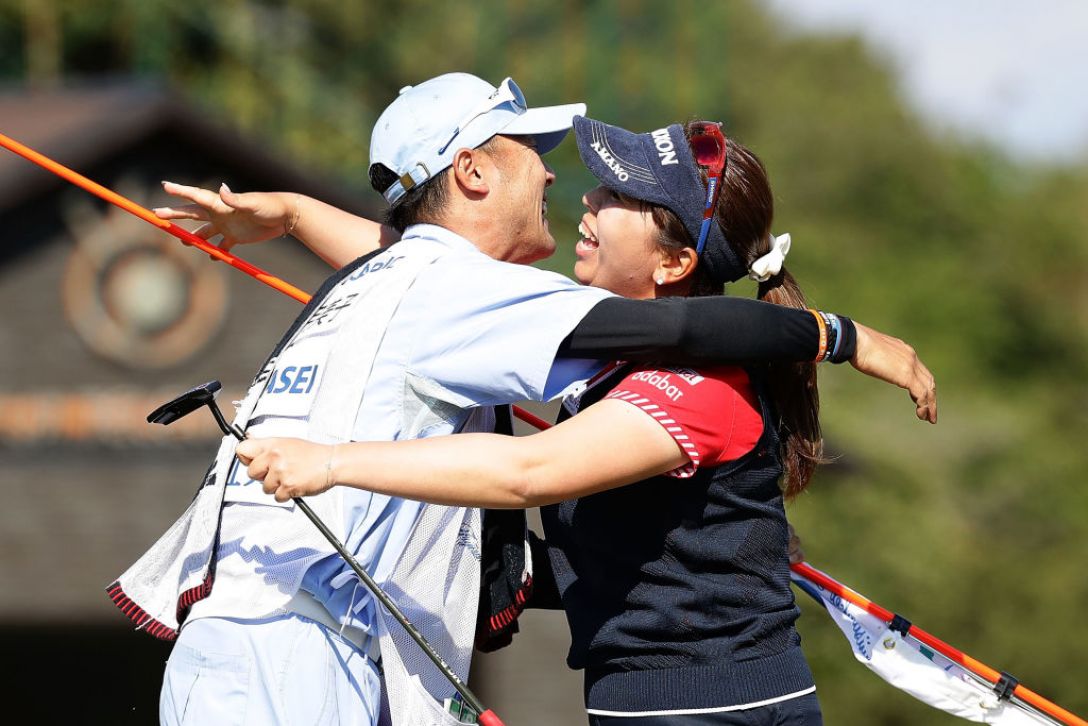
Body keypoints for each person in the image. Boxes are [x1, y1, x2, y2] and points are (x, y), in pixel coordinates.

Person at [113, 72, 934, 726]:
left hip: (274, 649)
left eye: (617, 197)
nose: (560, 177)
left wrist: (294, 214)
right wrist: (845, 337)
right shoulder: (443, 286)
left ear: (674, 260)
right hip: (294, 653)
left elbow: (642, 364)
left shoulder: (420, 283)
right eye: (532, 149)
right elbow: (535, 456)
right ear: (469, 172)